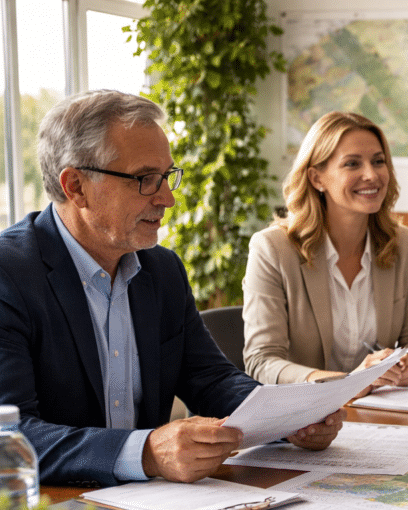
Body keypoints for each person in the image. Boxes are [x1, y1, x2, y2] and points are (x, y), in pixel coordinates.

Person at [0, 90, 343, 488]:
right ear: (76, 186)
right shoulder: (9, 274)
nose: (168, 198)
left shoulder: (161, 269)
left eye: (166, 176)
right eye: (145, 179)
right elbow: (10, 435)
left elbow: (208, 378)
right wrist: (145, 452)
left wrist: (290, 417)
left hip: (153, 507)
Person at [243, 112, 408, 387]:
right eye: (352, 164)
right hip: (306, 420)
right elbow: (262, 362)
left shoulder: (406, 244)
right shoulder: (272, 249)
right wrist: (349, 383)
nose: (371, 175)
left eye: (378, 162)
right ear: (317, 178)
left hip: (381, 410)